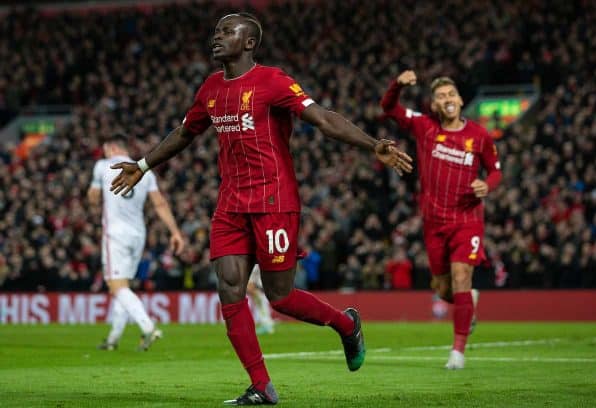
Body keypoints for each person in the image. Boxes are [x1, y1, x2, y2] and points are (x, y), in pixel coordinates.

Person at [110, 13, 413, 405]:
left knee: (280, 296)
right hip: (231, 204)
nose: (216, 37)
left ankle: (345, 324)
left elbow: (322, 119)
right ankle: (262, 386)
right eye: (217, 31)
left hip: (274, 201)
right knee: (229, 288)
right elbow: (186, 132)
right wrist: (144, 164)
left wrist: (373, 145)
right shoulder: (211, 87)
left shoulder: (272, 80)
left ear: (249, 42)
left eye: (227, 32)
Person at [380, 70, 502, 370]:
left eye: (451, 94)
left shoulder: (480, 136)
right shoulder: (424, 126)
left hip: (467, 220)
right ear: (434, 105)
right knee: (444, 288)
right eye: (441, 96)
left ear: (460, 100)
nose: (447, 99)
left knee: (462, 276)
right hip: (434, 223)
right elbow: (389, 108)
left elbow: (496, 170)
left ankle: (457, 352)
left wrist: (488, 185)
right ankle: (467, 302)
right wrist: (397, 84)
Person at [88, 133, 185, 351]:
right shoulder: (144, 170)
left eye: (105, 149)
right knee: (123, 287)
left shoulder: (102, 166)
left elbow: (93, 197)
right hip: (138, 234)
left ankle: (148, 327)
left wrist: (94, 199)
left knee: (116, 286)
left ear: (112, 148)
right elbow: (159, 203)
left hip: (115, 233)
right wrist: (175, 232)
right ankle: (113, 339)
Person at [248, 264, 275, 335]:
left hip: (255, 264)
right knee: (256, 293)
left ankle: (266, 324)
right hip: (257, 263)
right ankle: (267, 322)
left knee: (253, 290)